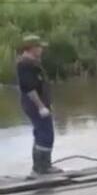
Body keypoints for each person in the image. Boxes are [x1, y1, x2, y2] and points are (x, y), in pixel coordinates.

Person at [17, 34, 62, 177]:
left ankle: (43, 166)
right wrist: (41, 106)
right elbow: (29, 88)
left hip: (41, 104)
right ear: (31, 48)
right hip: (34, 105)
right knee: (45, 135)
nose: (42, 49)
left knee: (42, 134)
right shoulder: (24, 64)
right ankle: (40, 168)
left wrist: (47, 104)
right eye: (39, 47)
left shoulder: (33, 63)